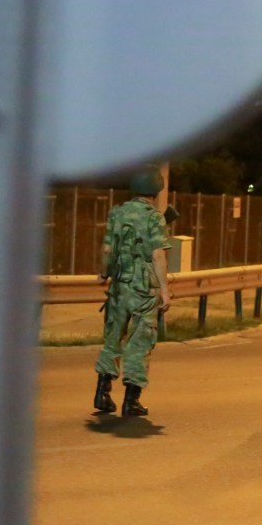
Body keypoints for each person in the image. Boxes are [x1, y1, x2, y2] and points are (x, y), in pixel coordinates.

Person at [93, 167, 171, 417]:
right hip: (143, 290)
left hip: (119, 286)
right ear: (155, 191)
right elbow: (158, 254)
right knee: (139, 342)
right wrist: (165, 291)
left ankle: (102, 393)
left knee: (113, 338)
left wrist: (104, 273)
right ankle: (131, 400)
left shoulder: (117, 213)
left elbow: (106, 250)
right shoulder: (154, 217)